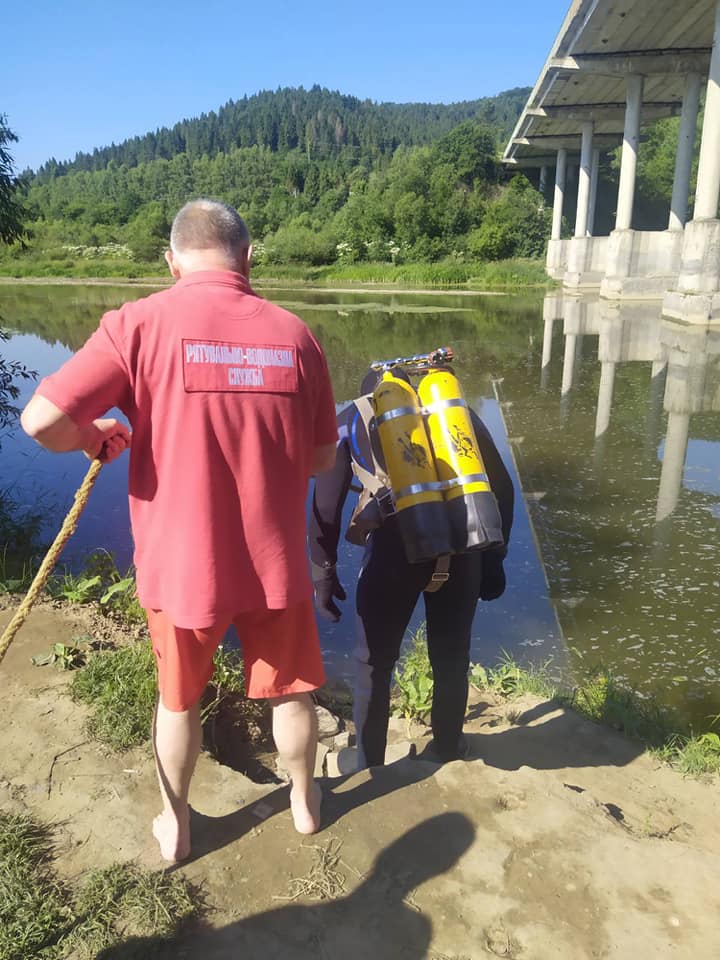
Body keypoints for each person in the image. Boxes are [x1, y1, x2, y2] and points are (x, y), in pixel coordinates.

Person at [21, 199, 338, 861]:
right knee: (293, 692)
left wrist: (92, 434)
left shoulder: (136, 325)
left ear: (172, 262)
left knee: (178, 702)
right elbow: (320, 459)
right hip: (274, 562)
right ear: (248, 258)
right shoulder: (297, 335)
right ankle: (305, 805)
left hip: (182, 566)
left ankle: (178, 826)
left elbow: (41, 422)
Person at [309, 367, 513, 768]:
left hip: (394, 551)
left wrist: (323, 573)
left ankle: (371, 764)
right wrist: (494, 558)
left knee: (374, 663)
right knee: (451, 655)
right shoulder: (451, 411)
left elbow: (325, 509)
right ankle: (449, 750)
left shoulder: (352, 417)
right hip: (464, 549)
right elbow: (500, 487)